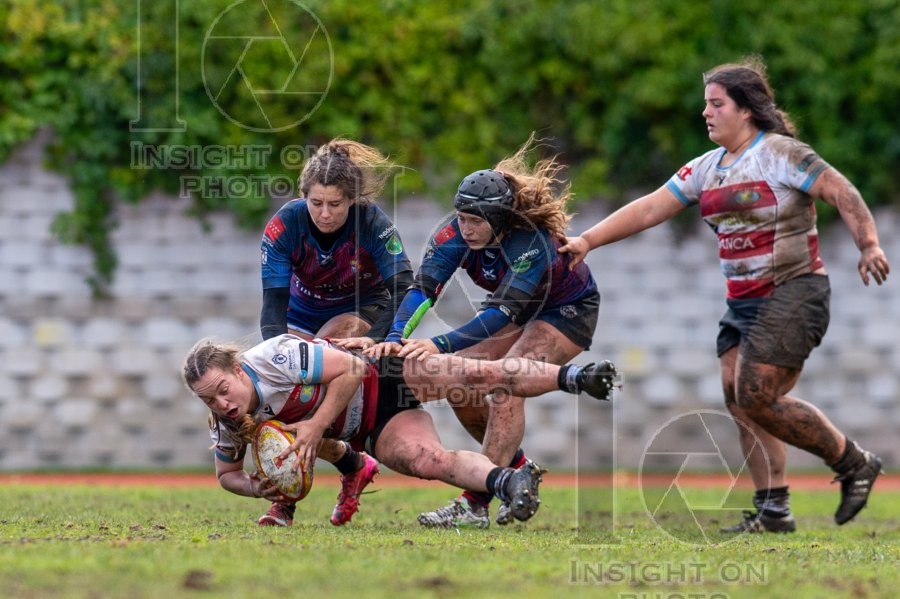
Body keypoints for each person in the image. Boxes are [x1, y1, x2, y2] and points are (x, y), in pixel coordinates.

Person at [559, 57, 889, 532]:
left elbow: (842, 192)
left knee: (757, 395)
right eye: (706, 104)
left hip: (795, 292)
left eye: (716, 104)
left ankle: (852, 461)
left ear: (746, 110)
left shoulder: (781, 153)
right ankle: (773, 509)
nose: (706, 112)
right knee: (740, 401)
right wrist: (588, 240)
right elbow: (651, 207)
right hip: (743, 302)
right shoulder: (706, 168)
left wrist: (869, 244)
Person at [342, 135, 614, 529]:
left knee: (506, 388)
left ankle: (474, 503)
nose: (465, 228)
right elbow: (423, 289)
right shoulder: (454, 234)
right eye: (461, 218)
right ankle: (516, 468)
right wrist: (396, 335)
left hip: (566, 312)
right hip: (520, 313)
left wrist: (438, 344)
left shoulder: (530, 242)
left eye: (475, 221)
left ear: (500, 219)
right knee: (464, 384)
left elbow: (499, 314)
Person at [181, 334, 619, 526]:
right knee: (428, 461)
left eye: (222, 389)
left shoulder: (273, 358)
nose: (221, 404)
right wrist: (259, 489)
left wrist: (315, 425)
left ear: (237, 369)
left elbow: (351, 367)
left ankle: (577, 377)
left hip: (385, 372)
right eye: (208, 400)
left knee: (476, 376)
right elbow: (225, 476)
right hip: (376, 425)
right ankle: (507, 480)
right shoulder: (230, 421)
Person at [257, 138, 414, 526]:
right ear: (303, 197)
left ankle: (303, 492)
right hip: (301, 314)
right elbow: (273, 304)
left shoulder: (373, 222)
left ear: (352, 200)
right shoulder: (283, 226)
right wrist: (276, 364)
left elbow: (404, 285)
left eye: (335, 204)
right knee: (282, 400)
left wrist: (376, 338)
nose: (325, 214)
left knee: (328, 348)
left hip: (363, 308)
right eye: (316, 204)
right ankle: (334, 474)